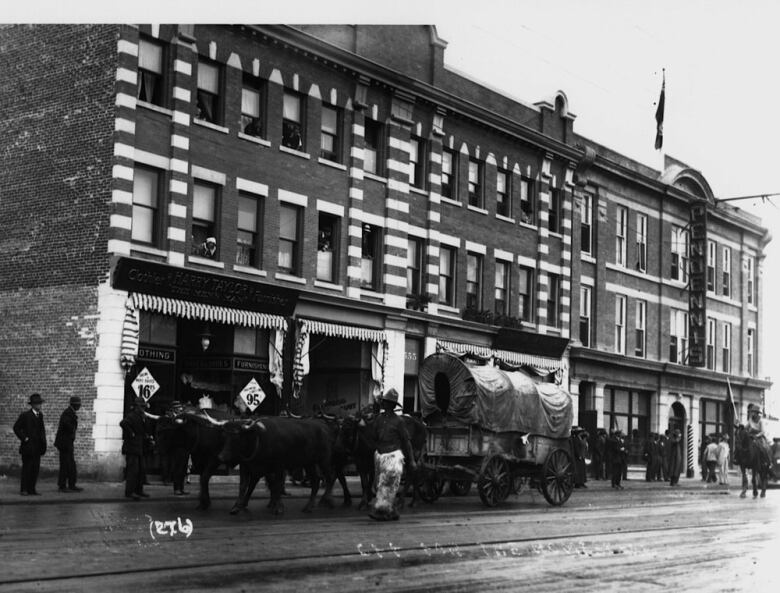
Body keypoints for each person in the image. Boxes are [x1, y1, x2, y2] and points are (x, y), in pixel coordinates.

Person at [368, 388, 416, 521]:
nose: (384, 404)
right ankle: (392, 510)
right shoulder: (378, 419)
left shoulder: (398, 421)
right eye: (384, 402)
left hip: (393, 457)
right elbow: (373, 436)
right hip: (380, 456)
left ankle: (380, 510)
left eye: (387, 402)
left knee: (387, 483)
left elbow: (406, 442)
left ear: (392, 405)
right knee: (379, 484)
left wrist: (411, 460)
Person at [13, 393, 47, 496]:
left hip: (37, 448)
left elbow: (41, 431)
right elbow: (16, 428)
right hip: (28, 447)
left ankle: (32, 489)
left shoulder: (40, 416)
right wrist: (25, 438)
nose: (39, 405)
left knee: (35, 469)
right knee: (27, 468)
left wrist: (43, 443)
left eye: (40, 403)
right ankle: (24, 489)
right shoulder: (25, 415)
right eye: (37, 404)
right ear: (32, 405)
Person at [120, 396, 151, 501]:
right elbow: (123, 423)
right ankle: (130, 492)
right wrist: (131, 433)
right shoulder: (132, 416)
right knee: (133, 471)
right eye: (141, 406)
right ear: (136, 407)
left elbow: (144, 429)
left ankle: (139, 490)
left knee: (141, 470)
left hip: (140, 447)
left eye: (143, 406)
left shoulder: (143, 417)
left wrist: (147, 436)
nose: (143, 408)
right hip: (132, 447)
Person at [54, 396, 83, 493]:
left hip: (68, 442)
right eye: (78, 404)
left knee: (71, 464)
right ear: (74, 405)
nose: (79, 406)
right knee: (65, 464)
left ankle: (71, 484)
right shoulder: (67, 413)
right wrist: (72, 430)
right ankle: (62, 486)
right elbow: (67, 426)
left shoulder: (71, 413)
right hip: (64, 443)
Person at [746, 404, 772, 468]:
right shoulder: (750, 419)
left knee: (763, 448)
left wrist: (756, 436)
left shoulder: (761, 420)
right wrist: (740, 426)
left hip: (759, 436)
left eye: (753, 412)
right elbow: (746, 427)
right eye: (752, 412)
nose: (752, 413)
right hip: (751, 435)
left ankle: (768, 461)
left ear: (757, 413)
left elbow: (762, 431)